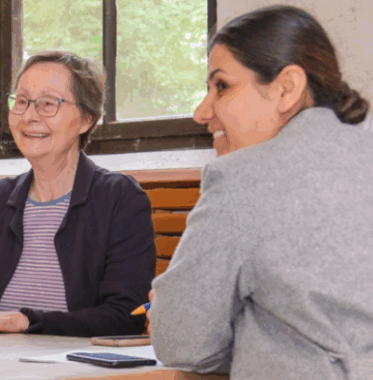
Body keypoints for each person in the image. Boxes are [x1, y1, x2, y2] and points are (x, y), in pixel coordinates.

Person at [150, 5, 373, 379]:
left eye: (222, 86)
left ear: (286, 89)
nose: (202, 111)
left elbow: (182, 343)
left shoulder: (240, 178)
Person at [0, 51, 156, 337]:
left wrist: (27, 321)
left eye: (48, 103)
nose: (30, 115)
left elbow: (126, 315)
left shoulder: (120, 198)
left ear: (87, 119)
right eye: (22, 101)